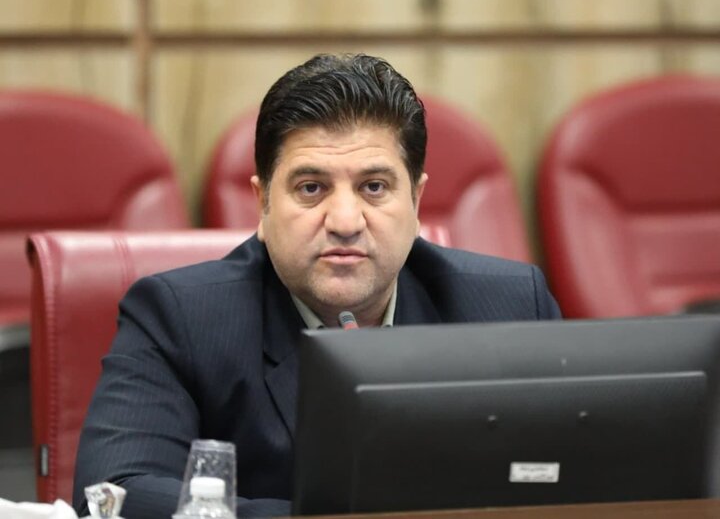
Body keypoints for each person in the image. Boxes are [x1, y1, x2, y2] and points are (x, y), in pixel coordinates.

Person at [73, 53, 561, 519]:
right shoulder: (180, 318)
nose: (345, 221)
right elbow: (115, 493)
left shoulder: (510, 306)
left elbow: (573, 479)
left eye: (374, 187)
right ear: (263, 204)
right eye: (311, 188)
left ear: (416, 201)